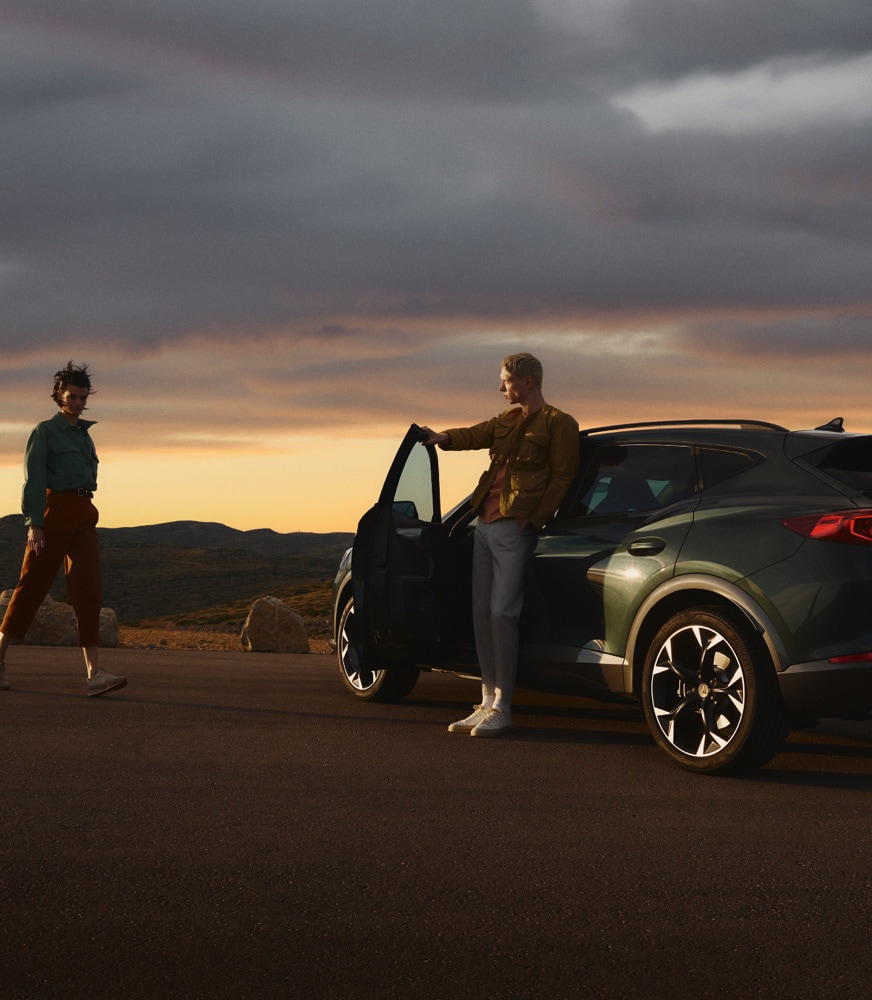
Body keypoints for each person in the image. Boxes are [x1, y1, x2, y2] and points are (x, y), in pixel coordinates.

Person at [420, 352, 578, 736]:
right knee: (481, 614)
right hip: (485, 526)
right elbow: (475, 434)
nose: (500, 387)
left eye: (505, 380)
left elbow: (563, 477)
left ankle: (504, 706)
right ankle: (486, 700)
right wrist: (443, 438)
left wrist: (531, 519)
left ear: (526, 381)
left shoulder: (561, 423)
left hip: (514, 528)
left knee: (503, 613)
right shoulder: (506, 420)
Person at [0, 362, 126, 697]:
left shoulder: (85, 434)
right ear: (59, 395)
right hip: (53, 512)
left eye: (82, 397)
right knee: (33, 585)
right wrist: (34, 523)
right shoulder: (45, 431)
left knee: (89, 589)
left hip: (84, 512)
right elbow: (33, 480)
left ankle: (94, 673)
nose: (77, 402)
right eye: (71, 396)